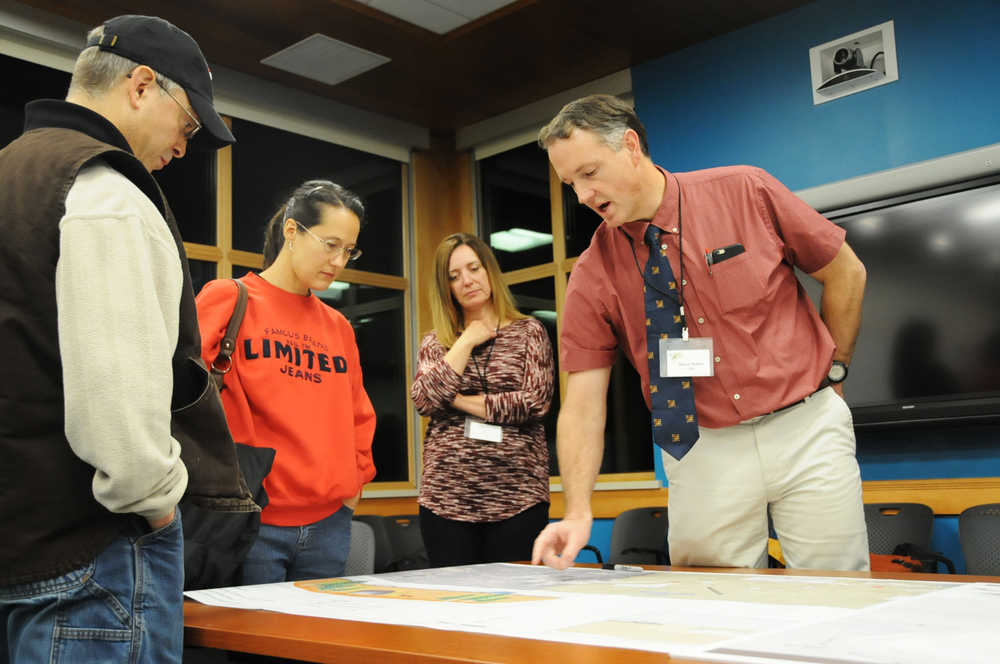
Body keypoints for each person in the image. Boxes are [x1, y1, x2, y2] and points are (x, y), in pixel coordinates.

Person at [0, 14, 250, 664]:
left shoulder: (11, 175)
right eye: (189, 124)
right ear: (141, 85)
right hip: (95, 554)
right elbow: (116, 413)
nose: (185, 147)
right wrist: (158, 506)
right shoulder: (106, 194)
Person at [530, 94, 870, 571]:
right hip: (701, 445)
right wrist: (578, 509)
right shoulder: (592, 272)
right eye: (570, 184)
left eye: (589, 173)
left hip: (805, 427)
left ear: (630, 145)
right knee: (711, 603)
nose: (582, 196)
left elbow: (846, 272)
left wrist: (836, 370)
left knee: (840, 592)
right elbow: (584, 401)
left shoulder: (743, 191)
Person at [195, 179, 376, 584]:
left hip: (330, 525)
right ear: (292, 231)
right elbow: (180, 398)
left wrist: (352, 490)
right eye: (330, 244)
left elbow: (358, 416)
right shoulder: (228, 299)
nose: (339, 260)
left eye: (348, 250)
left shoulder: (339, 327)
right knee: (257, 648)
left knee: (321, 647)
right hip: (252, 522)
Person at [411, 233, 554, 567]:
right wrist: (465, 341)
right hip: (446, 501)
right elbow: (424, 400)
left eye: (473, 268)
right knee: (454, 606)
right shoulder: (436, 342)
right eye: (454, 276)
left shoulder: (529, 331)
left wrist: (457, 399)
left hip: (519, 497)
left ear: (488, 270)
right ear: (445, 287)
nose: (467, 280)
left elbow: (533, 402)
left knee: (516, 604)